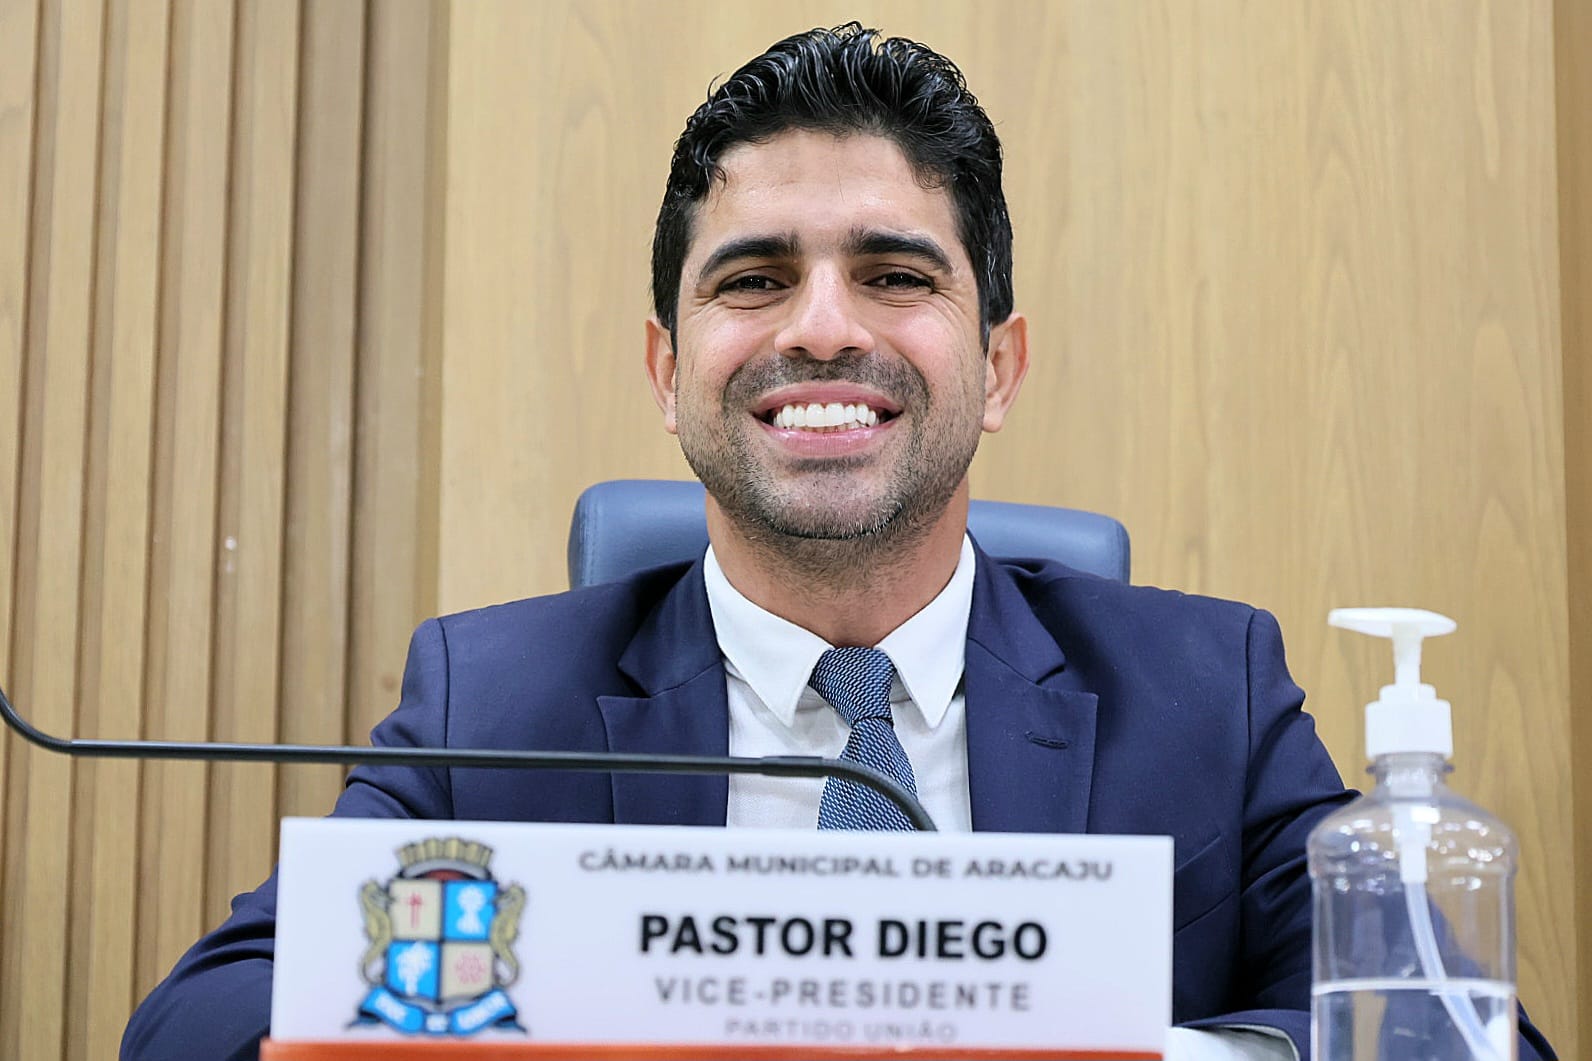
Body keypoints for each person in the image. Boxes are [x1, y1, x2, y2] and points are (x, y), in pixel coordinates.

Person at [122, 23, 1555, 1061]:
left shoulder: (1207, 696)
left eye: (893, 273)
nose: (820, 327)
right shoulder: (490, 707)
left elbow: (1467, 1034)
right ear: (666, 368)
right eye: (753, 278)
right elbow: (195, 1022)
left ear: (998, 365)